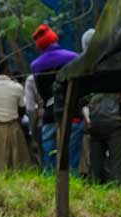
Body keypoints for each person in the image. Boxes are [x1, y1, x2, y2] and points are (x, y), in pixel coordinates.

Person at [30, 24, 83, 174]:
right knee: (72, 158)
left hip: (49, 114)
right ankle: (73, 188)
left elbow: (42, 93)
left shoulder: (36, 65)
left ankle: (49, 191)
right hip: (73, 113)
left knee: (50, 161)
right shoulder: (74, 57)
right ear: (54, 38)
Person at [85, 92, 121, 184]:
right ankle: (116, 193)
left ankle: (95, 191)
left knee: (95, 166)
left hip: (95, 123)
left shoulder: (92, 81)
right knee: (117, 166)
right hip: (115, 123)